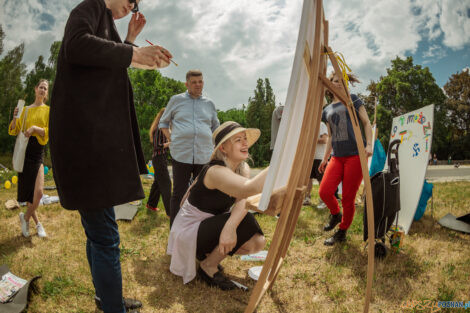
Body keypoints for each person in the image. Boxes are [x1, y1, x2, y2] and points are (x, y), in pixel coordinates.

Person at [49, 0, 172, 312]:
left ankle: (107, 299)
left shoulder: (106, 23)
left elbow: (106, 68)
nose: (132, 7)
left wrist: (131, 42)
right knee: (106, 236)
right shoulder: (88, 9)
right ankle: (112, 306)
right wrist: (133, 53)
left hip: (90, 147)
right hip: (85, 147)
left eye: (135, 6)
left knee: (97, 233)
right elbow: (76, 46)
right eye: (131, 1)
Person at [167, 121, 267, 290]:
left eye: (245, 139)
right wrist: (282, 159)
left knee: (257, 242)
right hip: (190, 231)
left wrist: (229, 226)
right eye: (237, 140)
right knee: (247, 221)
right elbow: (250, 189)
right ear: (223, 148)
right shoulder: (216, 172)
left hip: (205, 228)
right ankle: (208, 267)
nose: (245, 143)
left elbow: (244, 198)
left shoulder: (243, 168)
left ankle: (210, 256)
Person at [159, 70, 220, 226]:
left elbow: (216, 128)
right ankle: (175, 231)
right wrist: (172, 139)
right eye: (194, 82)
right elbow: (163, 123)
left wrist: (218, 147)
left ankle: (198, 229)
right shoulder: (176, 100)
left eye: (200, 81)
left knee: (203, 193)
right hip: (181, 154)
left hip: (204, 154)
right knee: (178, 193)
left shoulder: (210, 104)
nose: (198, 85)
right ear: (187, 84)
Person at [319, 73, 373, 246]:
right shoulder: (326, 110)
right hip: (337, 157)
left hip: (356, 155)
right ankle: (336, 214)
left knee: (348, 198)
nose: (340, 84)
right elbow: (331, 136)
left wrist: (369, 144)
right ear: (330, 85)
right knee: (324, 192)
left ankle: (342, 232)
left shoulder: (353, 100)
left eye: (343, 81)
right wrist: (325, 157)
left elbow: (366, 123)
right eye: (336, 81)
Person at [8, 79, 50, 238]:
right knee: (29, 195)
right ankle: (38, 224)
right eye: (41, 87)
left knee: (38, 194)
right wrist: (14, 118)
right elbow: (14, 130)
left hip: (37, 154)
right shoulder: (25, 110)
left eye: (45, 88)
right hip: (24, 154)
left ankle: (24, 217)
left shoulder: (48, 110)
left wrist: (34, 128)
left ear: (46, 93)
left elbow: (48, 131)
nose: (42, 90)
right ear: (35, 89)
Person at [147, 108, 171, 216]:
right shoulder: (159, 129)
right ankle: (171, 212)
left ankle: (151, 204)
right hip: (159, 158)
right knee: (166, 184)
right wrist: (170, 143)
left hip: (161, 158)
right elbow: (157, 146)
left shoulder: (163, 129)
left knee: (157, 183)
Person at [303, 121, 328, 208]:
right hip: (310, 157)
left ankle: (324, 200)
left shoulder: (321, 124)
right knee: (308, 179)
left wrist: (309, 139)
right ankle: (307, 198)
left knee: (321, 179)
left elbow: (325, 140)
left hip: (319, 157)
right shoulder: (308, 125)